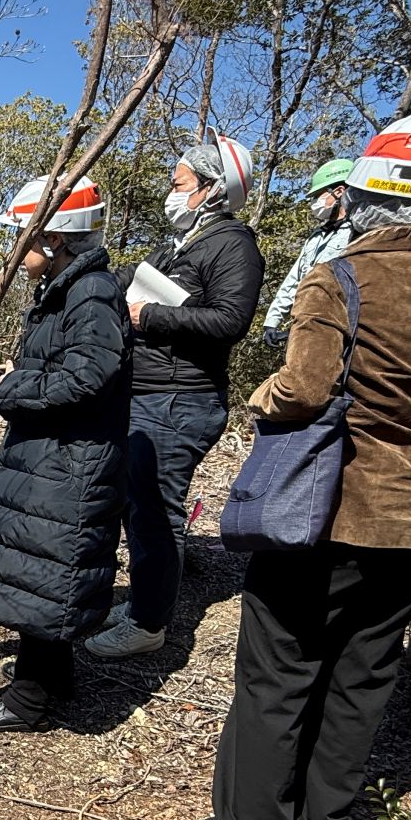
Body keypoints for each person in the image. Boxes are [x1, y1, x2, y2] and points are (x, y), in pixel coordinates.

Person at [152, 115, 411, 820]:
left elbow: (304, 390)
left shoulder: (341, 275)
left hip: (329, 509)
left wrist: (259, 394)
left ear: (368, 193)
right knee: (362, 672)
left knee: (279, 668)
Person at [0, 176, 131, 732]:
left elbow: (88, 375)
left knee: (47, 571)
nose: (15, 249)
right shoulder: (68, 288)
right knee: (45, 568)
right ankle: (56, 678)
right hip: (57, 452)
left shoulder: (89, 292)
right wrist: (19, 375)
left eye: (23, 237)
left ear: (56, 238)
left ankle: (28, 701)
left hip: (71, 460)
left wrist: (14, 388)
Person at [85, 136, 265, 659]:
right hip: (147, 394)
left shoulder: (232, 244)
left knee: (156, 512)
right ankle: (147, 599)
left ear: (210, 189)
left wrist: (152, 317)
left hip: (181, 400)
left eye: (179, 183)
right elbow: (127, 279)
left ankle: (148, 624)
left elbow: (231, 321)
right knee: (135, 506)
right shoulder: (179, 243)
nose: (171, 191)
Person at [260, 158, 354, 348]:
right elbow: (294, 279)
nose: (314, 202)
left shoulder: (356, 234)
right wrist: (272, 321)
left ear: (339, 191)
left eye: (319, 195)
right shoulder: (316, 236)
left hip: (336, 328)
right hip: (304, 323)